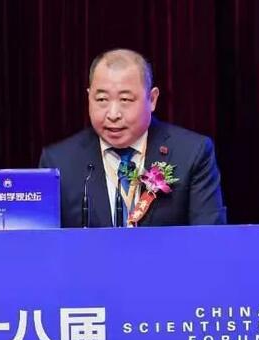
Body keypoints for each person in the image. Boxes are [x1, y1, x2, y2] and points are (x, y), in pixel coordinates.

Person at [39, 48, 226, 227]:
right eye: (102, 99)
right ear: (89, 97)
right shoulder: (59, 162)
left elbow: (210, 238)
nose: (113, 114)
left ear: (152, 99)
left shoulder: (191, 153)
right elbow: (43, 242)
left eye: (125, 100)